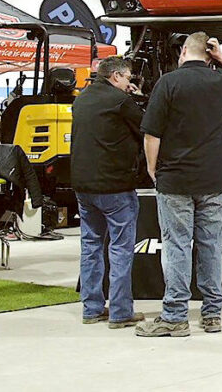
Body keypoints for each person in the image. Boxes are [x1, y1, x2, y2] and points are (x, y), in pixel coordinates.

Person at [135, 33, 222, 338]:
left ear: (184, 51)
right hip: (213, 179)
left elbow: (152, 134)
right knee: (211, 245)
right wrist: (221, 55)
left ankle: (175, 316)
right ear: (208, 54)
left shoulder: (169, 83)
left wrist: (151, 168)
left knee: (176, 246)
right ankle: (212, 314)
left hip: (175, 179)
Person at [71, 56, 145, 328]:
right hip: (115, 186)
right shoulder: (121, 102)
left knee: (90, 246)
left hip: (83, 185)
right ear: (116, 76)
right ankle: (120, 311)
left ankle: (91, 308)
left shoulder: (82, 98)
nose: (129, 83)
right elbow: (146, 127)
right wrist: (134, 100)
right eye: (127, 79)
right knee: (121, 249)